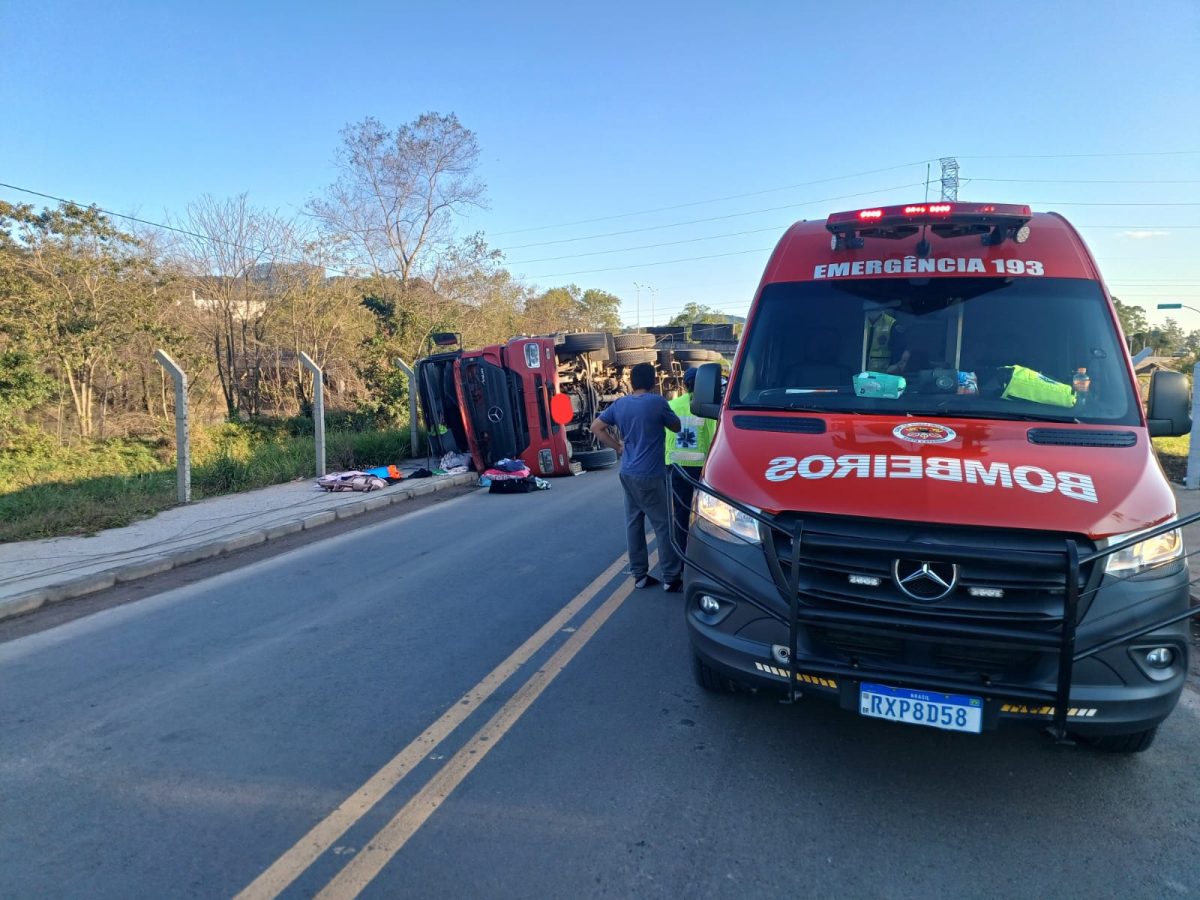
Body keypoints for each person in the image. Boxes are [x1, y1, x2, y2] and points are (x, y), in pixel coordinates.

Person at [590, 362, 683, 592]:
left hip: (628, 472)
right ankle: (671, 577)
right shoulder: (657, 402)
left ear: (632, 382)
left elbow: (596, 427)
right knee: (663, 525)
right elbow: (677, 427)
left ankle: (640, 575)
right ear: (652, 382)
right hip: (650, 474)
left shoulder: (620, 404)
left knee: (634, 523)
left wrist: (618, 447)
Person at [665, 367, 717, 553]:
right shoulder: (707, 407)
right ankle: (702, 553)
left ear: (685, 385)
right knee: (705, 514)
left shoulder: (672, 405)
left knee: (681, 511)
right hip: (700, 469)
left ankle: (682, 553)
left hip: (677, 468)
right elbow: (713, 438)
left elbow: (666, 437)